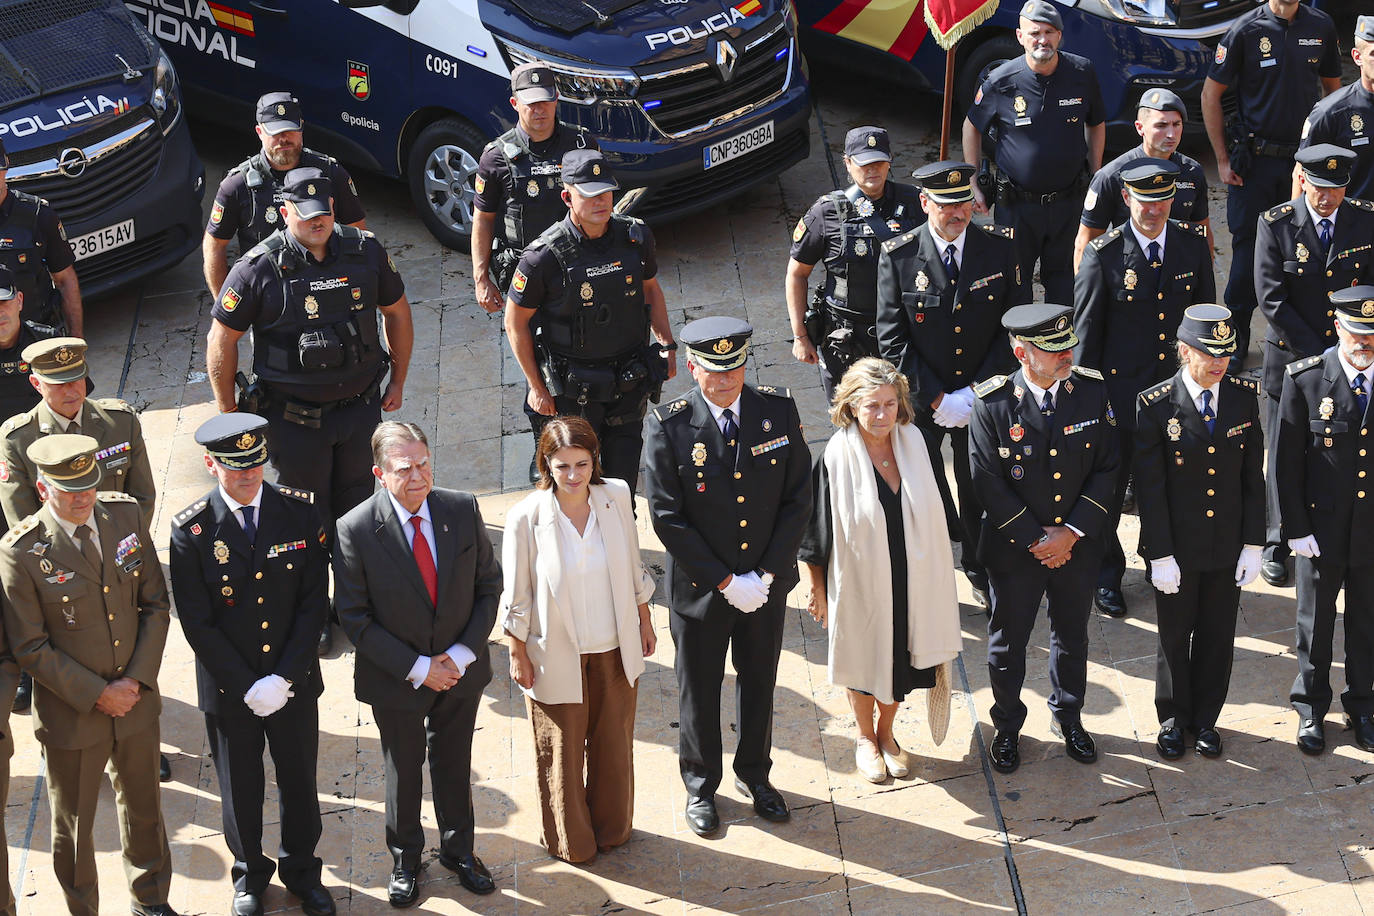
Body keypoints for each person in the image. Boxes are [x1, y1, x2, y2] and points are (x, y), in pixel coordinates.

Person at [642, 316, 811, 836]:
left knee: (760, 681)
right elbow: (667, 516)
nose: (726, 380)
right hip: (701, 590)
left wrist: (763, 573)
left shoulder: (776, 411)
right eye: (715, 371)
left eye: (734, 368)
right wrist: (724, 580)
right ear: (692, 368)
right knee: (700, 688)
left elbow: (798, 498)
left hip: (763, 586)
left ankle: (755, 775)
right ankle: (700, 785)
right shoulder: (668, 425)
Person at [0, 435, 175, 916]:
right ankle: (83, 909)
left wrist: (135, 682)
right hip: (72, 714)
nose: (82, 499)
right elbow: (29, 646)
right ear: (41, 488)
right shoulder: (21, 551)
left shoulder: (124, 516)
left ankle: (151, 900)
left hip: (136, 703)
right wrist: (100, 694)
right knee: (74, 828)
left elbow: (155, 604)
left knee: (145, 810)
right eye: (68, 490)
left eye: (89, 487)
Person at [168, 414, 334, 916]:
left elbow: (313, 605)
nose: (248, 476)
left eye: (256, 464)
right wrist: (248, 685)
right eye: (235, 467)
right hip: (230, 689)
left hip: (293, 682)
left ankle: (303, 871)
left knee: (300, 782)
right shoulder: (191, 531)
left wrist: (284, 678)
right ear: (210, 464)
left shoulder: (299, 512)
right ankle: (249, 876)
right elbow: (198, 624)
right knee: (240, 787)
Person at [333, 422, 500, 905]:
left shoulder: (461, 508)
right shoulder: (356, 529)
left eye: (424, 464)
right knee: (403, 771)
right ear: (379, 474)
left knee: (454, 763)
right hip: (397, 679)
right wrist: (418, 667)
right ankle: (406, 860)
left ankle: (459, 852)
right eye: (404, 469)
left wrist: (462, 654)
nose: (418, 477)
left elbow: (488, 586)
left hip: (459, 672)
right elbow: (355, 618)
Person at [206, 166, 412, 530]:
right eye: (306, 214)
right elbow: (221, 338)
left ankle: (354, 582)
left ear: (333, 205)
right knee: (304, 516)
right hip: (294, 420)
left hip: (359, 410)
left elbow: (396, 312)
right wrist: (228, 410)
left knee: (360, 513)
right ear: (285, 213)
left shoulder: (365, 251)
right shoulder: (257, 268)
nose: (318, 222)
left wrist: (397, 380)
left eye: (323, 212)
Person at [969, 304, 1119, 774]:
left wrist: (1070, 534)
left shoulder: (1091, 392)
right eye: (1053, 350)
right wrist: (1038, 539)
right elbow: (986, 482)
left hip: (1076, 545)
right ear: (1021, 353)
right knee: (1007, 642)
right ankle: (1008, 725)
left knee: (1072, 634)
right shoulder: (992, 405)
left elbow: (1109, 467)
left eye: (1068, 345)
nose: (1067, 355)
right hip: (1016, 550)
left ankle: (1069, 715)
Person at [499, 416, 656, 862]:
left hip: (613, 645)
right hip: (554, 652)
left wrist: (644, 621)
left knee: (613, 745)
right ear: (546, 463)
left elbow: (632, 566)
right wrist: (517, 651)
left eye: (582, 464)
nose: (573, 476)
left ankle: (613, 830)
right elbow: (517, 593)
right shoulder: (525, 517)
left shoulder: (617, 496)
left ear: (595, 461)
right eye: (562, 465)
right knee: (562, 754)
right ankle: (573, 843)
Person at [799, 358, 961, 783]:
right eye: (871, 405)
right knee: (865, 658)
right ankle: (865, 738)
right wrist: (817, 589)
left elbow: (942, 509)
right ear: (851, 406)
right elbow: (816, 535)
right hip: (860, 583)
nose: (882, 414)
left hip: (914, 578)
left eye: (890, 404)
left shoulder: (918, 444)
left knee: (903, 661)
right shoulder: (834, 458)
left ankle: (888, 735)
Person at [876, 160, 1025, 606]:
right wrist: (938, 396)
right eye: (945, 204)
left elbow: (1013, 329)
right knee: (922, 487)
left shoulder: (999, 248)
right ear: (925, 203)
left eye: (963, 202)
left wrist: (975, 393)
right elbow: (891, 337)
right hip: (924, 400)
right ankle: (936, 563)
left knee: (981, 484)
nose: (957, 213)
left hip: (982, 396)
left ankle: (983, 569)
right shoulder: (898, 256)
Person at [1073, 159, 1215, 618]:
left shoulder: (1192, 246)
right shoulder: (1104, 254)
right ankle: (1107, 574)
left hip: (1175, 396)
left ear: (1173, 200)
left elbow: (1206, 321)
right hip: (1119, 399)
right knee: (1110, 492)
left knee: (1171, 485)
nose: (1154, 210)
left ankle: (1162, 560)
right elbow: (1085, 337)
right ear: (1127, 199)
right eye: (1144, 200)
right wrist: (1086, 402)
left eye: (1162, 200)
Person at [0, 337, 157, 723]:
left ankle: (137, 737)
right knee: (65, 662)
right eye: (58, 383)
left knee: (129, 653)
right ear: (36, 384)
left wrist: (117, 555)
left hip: (118, 565)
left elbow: (141, 499)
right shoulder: (18, 439)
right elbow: (22, 522)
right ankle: (74, 746)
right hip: (58, 576)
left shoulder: (119, 421)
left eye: (77, 379)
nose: (72, 391)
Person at [1134, 305, 1264, 760]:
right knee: (1173, 635)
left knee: (1217, 634)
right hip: (1179, 546)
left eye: (1226, 355)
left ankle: (1206, 718)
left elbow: (1252, 476)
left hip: (1227, 544)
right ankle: (1172, 718)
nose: (1220, 364)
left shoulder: (1243, 396)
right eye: (1210, 355)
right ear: (1185, 351)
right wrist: (1159, 553)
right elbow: (1149, 489)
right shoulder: (1154, 405)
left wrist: (1253, 543)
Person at [505, 149, 677, 492]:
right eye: (590, 195)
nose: (601, 202)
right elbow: (515, 322)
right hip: (572, 392)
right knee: (571, 488)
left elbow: (651, 291)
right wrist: (537, 387)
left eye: (606, 192)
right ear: (567, 197)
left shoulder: (635, 237)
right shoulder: (543, 257)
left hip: (628, 380)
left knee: (621, 486)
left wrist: (667, 345)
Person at [1254, 145, 1374, 587]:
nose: (1327, 197)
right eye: (1319, 187)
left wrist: (1348, 353)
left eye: (1336, 187)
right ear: (1302, 179)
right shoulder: (1277, 224)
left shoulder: (1366, 219)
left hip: (1354, 362)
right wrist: (1323, 357)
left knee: (1341, 451)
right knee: (1284, 451)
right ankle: (1275, 540)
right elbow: (1271, 299)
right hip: (1292, 363)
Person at [1202, 0, 1341, 368]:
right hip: (1256, 165)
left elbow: (1333, 93)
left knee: (1303, 253)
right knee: (1247, 255)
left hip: (1304, 164)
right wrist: (1221, 158)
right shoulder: (1245, 31)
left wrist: (1325, 158)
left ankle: (1298, 343)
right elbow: (1210, 94)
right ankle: (1233, 341)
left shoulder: (1321, 26)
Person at [1275, 286, 1374, 757]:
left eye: (1371, 336)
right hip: (1321, 531)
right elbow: (1286, 466)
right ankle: (1311, 707)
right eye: (1356, 333)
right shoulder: (1306, 380)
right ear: (1337, 327)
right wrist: (1296, 529)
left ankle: (1363, 705)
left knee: (1367, 624)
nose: (1364, 343)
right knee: (1315, 626)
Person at [962, 0, 1104, 304]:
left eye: (1049, 32)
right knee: (1014, 285)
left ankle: (1059, 348)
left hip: (1069, 202)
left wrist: (1095, 172)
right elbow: (971, 126)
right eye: (1035, 32)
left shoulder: (1082, 72)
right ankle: (1019, 349)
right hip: (1017, 206)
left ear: (1060, 36)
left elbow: (1096, 123)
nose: (1042, 39)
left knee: (1066, 283)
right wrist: (972, 182)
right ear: (1019, 36)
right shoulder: (1001, 81)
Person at [786, 127, 924, 399]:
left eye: (878, 162)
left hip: (902, 332)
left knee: (902, 415)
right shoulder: (826, 212)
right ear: (847, 163)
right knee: (847, 420)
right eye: (863, 163)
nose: (872, 170)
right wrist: (801, 336)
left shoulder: (915, 203)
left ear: (890, 160)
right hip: (846, 338)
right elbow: (796, 274)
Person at [203, 91, 367, 299]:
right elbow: (214, 245)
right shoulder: (237, 185)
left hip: (324, 294)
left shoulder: (331, 174)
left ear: (301, 127)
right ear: (259, 132)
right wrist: (227, 308)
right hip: (268, 300)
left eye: (290, 130)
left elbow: (359, 237)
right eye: (275, 132)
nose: (283, 138)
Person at [472, 62, 596, 312]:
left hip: (577, 265)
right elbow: (483, 219)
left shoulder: (583, 145)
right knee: (528, 343)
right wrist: (481, 279)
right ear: (514, 104)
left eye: (545, 101)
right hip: (527, 271)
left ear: (557, 99)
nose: (540, 110)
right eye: (531, 103)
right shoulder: (495, 157)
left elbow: (600, 204)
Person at [1073, 88, 1211, 271]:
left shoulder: (1192, 172)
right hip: (1129, 279)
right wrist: (1087, 293)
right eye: (1161, 126)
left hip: (1178, 278)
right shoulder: (1111, 176)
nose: (1171, 134)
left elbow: (1203, 236)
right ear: (1140, 128)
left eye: (1176, 124)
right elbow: (1085, 243)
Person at [0, 138, 82, 335]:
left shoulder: (38, 215)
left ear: (5, 166)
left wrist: (77, 343)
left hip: (37, 341)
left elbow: (65, 280)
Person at [1295, 16, 1374, 202]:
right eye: (1373, 54)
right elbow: (1302, 173)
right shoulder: (1331, 112)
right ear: (1357, 57)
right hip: (1353, 222)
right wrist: (1297, 227)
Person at [0, 263, 52, 436]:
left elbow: (75, 400)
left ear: (20, 301)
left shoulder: (47, 342)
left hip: (44, 438)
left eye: (4, 301)